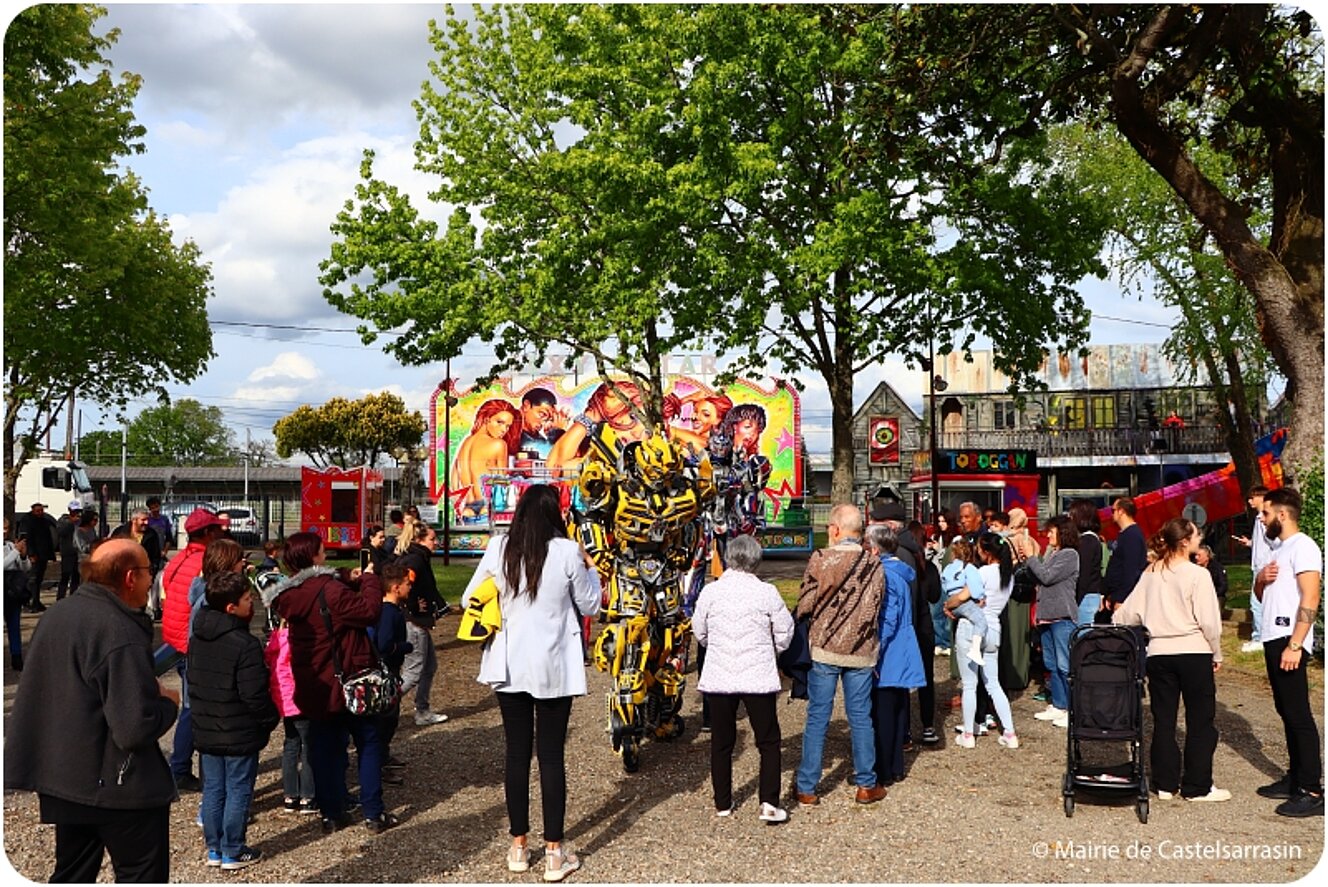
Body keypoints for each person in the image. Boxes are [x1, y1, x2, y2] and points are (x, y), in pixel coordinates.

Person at [4, 539, 180, 883]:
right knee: (141, 874)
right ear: (130, 577)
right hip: (118, 787)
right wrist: (167, 704)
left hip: (64, 777)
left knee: (72, 872)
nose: (151, 580)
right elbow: (133, 727)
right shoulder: (118, 631)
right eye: (148, 571)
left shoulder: (58, 614)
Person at [459, 483, 601, 881]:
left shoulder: (499, 548)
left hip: (509, 663)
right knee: (552, 756)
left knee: (516, 755)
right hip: (554, 663)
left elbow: (471, 596)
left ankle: (518, 845)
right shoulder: (569, 551)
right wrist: (590, 567)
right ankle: (554, 853)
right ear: (556, 514)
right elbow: (591, 604)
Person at [263, 532, 395, 833]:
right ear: (314, 557)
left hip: (315, 685)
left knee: (324, 749)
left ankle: (331, 812)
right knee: (368, 742)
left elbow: (318, 591)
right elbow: (369, 612)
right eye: (322, 551)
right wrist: (370, 581)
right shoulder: (331, 591)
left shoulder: (289, 596)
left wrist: (347, 576)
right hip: (348, 679)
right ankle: (373, 812)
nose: (326, 554)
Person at [1113, 518, 1227, 802]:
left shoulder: (1151, 573)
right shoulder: (1197, 575)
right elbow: (1210, 622)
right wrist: (1217, 651)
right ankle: (1197, 786)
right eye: (1197, 533)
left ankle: (1165, 783)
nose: (1200, 537)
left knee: (1164, 720)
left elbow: (1126, 615)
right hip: (1194, 650)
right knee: (1200, 721)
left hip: (1160, 652)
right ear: (1185, 541)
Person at [692, 534, 794, 823]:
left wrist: (715, 645)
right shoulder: (767, 593)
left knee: (722, 741)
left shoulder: (711, 592)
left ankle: (722, 801)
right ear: (756, 560)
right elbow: (785, 631)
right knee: (768, 739)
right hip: (757, 674)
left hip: (720, 674)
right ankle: (769, 803)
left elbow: (699, 631)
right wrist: (771, 650)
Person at [793, 503, 887, 806]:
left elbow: (805, 603)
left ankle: (807, 787)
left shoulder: (821, 558)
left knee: (818, 716)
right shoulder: (875, 564)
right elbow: (876, 606)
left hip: (824, 646)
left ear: (835, 529)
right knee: (860, 717)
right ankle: (866, 784)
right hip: (860, 650)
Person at [189, 570, 280, 869]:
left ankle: (214, 848)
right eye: (245, 599)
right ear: (231, 608)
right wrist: (269, 719)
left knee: (214, 788)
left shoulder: (198, 637)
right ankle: (233, 848)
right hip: (239, 729)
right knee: (239, 788)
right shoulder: (244, 644)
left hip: (207, 726)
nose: (251, 601)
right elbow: (254, 693)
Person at [1252, 487, 1324, 817]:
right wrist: (1260, 579)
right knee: (1285, 710)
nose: (1261, 518)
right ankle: (1295, 777)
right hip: (1273, 635)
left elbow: (1311, 597)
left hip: (1289, 639)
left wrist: (1296, 643)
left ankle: (1311, 788)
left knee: (1298, 713)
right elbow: (1262, 592)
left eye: (1265, 513)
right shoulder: (1278, 549)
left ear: (1282, 514)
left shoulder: (1304, 546)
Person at [159, 508, 227, 792]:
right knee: (193, 707)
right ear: (208, 533)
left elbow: (165, 595)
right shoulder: (205, 562)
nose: (221, 533)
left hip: (174, 637)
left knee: (190, 704)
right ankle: (181, 768)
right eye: (217, 529)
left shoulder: (178, 560)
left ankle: (181, 766)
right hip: (193, 643)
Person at [864, 525, 926, 785]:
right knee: (898, 707)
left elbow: (888, 618)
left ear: (875, 549)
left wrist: (874, 649)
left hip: (889, 649)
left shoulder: (885, 575)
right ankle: (897, 767)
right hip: (904, 646)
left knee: (884, 711)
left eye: (867, 547)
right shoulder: (900, 572)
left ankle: (884, 770)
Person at [1025, 514, 1080, 729]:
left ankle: (1071, 709)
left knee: (1065, 665)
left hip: (1062, 617)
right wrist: (1028, 561)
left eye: (1051, 531)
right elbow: (1039, 576)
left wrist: (1032, 557)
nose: (1048, 535)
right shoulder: (1054, 554)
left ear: (1062, 532)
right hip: (1047, 617)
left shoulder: (1069, 555)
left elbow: (1046, 578)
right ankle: (1058, 704)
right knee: (1051, 664)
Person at [394, 522, 449, 726]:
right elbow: (400, 584)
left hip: (418, 621)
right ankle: (383, 705)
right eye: (432, 539)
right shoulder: (415, 560)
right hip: (414, 622)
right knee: (414, 671)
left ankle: (422, 710)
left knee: (429, 666)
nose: (436, 543)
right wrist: (413, 604)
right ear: (419, 540)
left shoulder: (418, 557)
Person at [264, 613, 317, 816]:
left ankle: (290, 795)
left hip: (283, 700)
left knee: (290, 745)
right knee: (307, 747)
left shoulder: (276, 639)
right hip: (299, 698)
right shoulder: (297, 642)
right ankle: (308, 795)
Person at [368, 563, 414, 782]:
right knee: (386, 720)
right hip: (387, 673)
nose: (410, 587)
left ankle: (382, 758)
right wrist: (405, 647)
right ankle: (377, 766)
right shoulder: (388, 614)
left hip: (389, 671)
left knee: (388, 719)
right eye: (407, 584)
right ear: (396, 588)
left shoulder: (390, 610)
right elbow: (385, 644)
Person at [546, 380, 649, 472]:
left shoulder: (652, 462)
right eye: (632, 418)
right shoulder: (602, 464)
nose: (637, 433)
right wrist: (589, 418)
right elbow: (555, 468)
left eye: (647, 431)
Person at [452, 398, 523, 496]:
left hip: (467, 506)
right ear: (487, 419)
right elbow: (502, 483)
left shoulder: (466, 442)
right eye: (500, 422)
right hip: (487, 504)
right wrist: (521, 483)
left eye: (507, 426)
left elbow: (455, 481)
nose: (504, 430)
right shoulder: (499, 444)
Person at [939, 537, 989, 666]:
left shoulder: (947, 569)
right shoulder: (969, 567)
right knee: (980, 621)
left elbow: (944, 586)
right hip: (964, 602)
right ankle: (975, 648)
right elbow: (974, 585)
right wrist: (980, 597)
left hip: (952, 602)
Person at [1236, 485, 1274, 653]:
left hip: (1263, 567)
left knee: (1257, 603)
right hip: (1259, 566)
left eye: (1252, 497)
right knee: (1260, 603)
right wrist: (1250, 543)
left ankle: (1259, 637)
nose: (1250, 501)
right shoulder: (1259, 519)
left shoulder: (1263, 520)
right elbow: (1262, 544)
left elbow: (1273, 543)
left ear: (1261, 497)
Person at [1104, 497, 1146, 609]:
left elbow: (1131, 569)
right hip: (1117, 595)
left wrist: (1121, 598)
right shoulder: (1125, 534)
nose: (1111, 514)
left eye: (1113, 510)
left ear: (1121, 511)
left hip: (1126, 599)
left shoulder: (1132, 535)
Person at [1069, 499, 1105, 624]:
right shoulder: (1091, 539)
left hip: (1085, 597)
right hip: (1088, 596)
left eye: (1072, 515)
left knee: (1083, 637)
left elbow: (1084, 573)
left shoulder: (1087, 541)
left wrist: (1075, 601)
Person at [16, 501, 57, 612]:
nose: (40, 513)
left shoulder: (44, 521)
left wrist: (51, 555)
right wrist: (31, 554)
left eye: (41, 511)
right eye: (37, 511)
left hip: (43, 555)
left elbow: (48, 538)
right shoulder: (27, 521)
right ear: (33, 510)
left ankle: (36, 601)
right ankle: (27, 603)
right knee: (32, 580)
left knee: (39, 580)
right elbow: (27, 539)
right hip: (34, 555)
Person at [4, 517, 29, 671]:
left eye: (6, 528)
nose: (4, 532)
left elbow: (25, 567)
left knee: (14, 624)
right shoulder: (12, 549)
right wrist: (15, 552)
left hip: (13, 590)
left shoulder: (10, 545)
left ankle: (17, 656)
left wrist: (23, 556)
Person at [517, 386, 568, 459]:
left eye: (548, 419)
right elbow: (546, 455)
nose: (543, 423)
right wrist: (557, 432)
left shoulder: (538, 437)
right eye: (542, 414)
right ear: (527, 405)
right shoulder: (511, 432)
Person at [113, 507, 164, 575]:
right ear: (134, 520)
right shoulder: (120, 532)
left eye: (148, 519)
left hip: (142, 574)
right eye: (143, 520)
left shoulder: (152, 534)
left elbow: (155, 557)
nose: (146, 522)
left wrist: (151, 572)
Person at [55, 500, 83, 601]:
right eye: (75, 511)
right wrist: (71, 522)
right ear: (69, 510)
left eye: (78, 511)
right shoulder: (63, 520)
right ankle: (60, 598)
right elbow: (60, 532)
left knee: (76, 576)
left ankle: (73, 597)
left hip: (78, 552)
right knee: (65, 575)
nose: (77, 513)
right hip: (67, 552)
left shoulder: (80, 521)